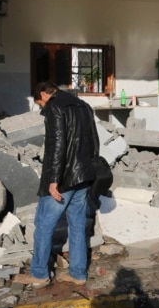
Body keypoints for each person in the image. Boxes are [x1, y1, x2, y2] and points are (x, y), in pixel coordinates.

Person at [16, 81, 98, 288]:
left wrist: (54, 180)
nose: (42, 107)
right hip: (83, 176)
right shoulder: (83, 106)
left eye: (40, 102)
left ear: (43, 93)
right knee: (78, 226)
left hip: (63, 179)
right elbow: (94, 140)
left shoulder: (55, 106)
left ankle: (39, 274)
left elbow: (56, 145)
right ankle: (78, 274)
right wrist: (90, 170)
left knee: (44, 225)